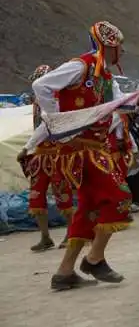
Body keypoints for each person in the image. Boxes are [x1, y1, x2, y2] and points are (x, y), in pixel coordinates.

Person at [23, 21, 139, 290]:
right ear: (107, 46)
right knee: (120, 196)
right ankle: (94, 259)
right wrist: (61, 122)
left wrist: (138, 101)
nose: (122, 53)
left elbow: (120, 109)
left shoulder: (106, 78)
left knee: (88, 210)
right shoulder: (80, 67)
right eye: (119, 48)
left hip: (94, 149)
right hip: (80, 150)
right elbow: (42, 87)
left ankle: (64, 272)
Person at [17, 65, 74, 251]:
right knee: (36, 196)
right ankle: (45, 237)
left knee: (63, 194)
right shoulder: (38, 101)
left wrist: (26, 147)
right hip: (41, 154)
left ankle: (71, 234)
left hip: (57, 153)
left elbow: (47, 126)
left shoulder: (55, 102)